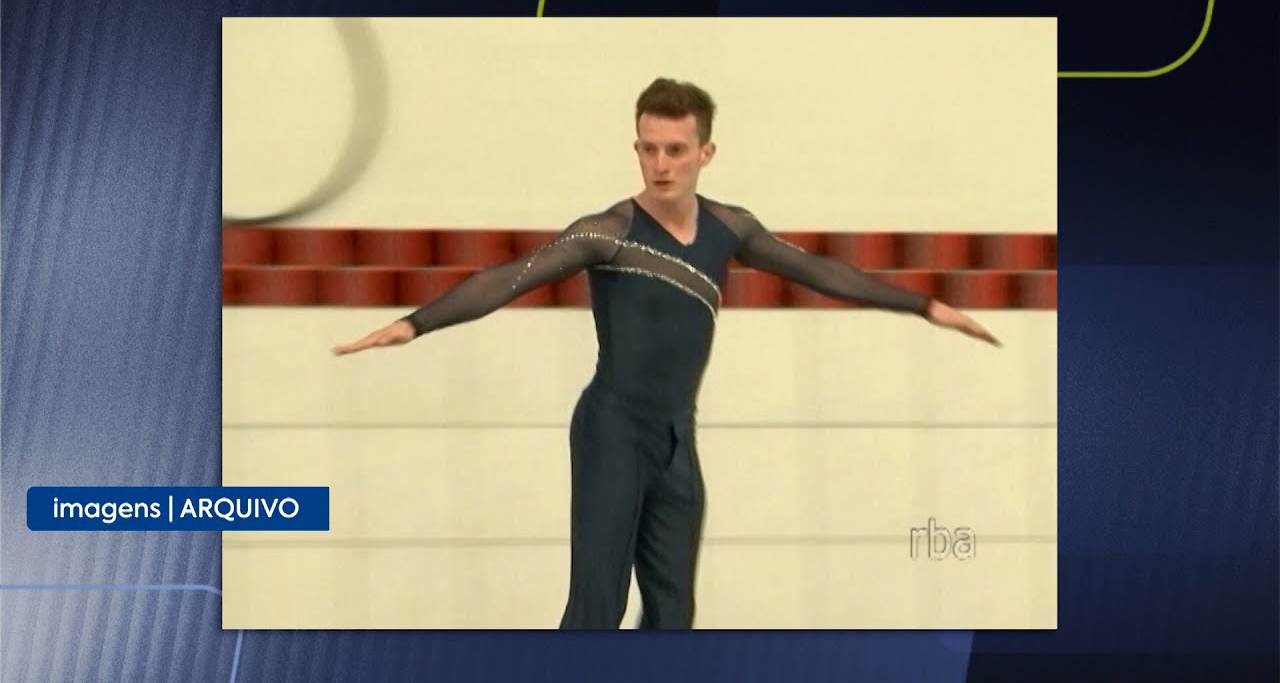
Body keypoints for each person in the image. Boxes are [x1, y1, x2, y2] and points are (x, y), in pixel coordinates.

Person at [333, 77, 1000, 629]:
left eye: (676, 150)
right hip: (611, 431)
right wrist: (415, 325)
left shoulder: (731, 227)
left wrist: (925, 306)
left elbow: (823, 272)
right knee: (597, 607)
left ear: (706, 151)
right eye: (649, 149)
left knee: (674, 611)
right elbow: (510, 276)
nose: (660, 165)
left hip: (678, 439)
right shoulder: (610, 233)